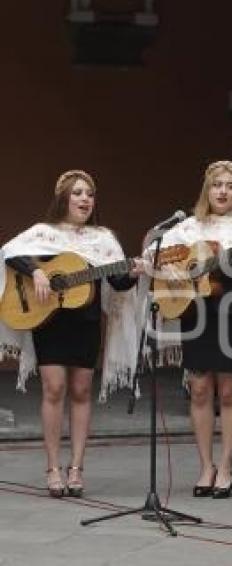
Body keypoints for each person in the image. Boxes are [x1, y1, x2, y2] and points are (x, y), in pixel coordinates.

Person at [0, 170, 143, 497]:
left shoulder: (103, 238)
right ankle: (52, 467)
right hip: (49, 320)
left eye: (90, 194)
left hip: (86, 321)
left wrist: (133, 272)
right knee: (54, 388)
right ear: (64, 197)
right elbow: (10, 252)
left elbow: (117, 282)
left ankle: (76, 468)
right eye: (78, 193)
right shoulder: (43, 233)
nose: (85, 199)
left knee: (80, 390)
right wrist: (36, 270)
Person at [155, 160, 232, 499]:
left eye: (230, 186)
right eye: (217, 185)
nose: (223, 191)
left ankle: (227, 465)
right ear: (207, 189)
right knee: (200, 388)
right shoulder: (187, 228)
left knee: (230, 391)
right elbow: (155, 255)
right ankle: (206, 465)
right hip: (196, 312)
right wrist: (170, 271)